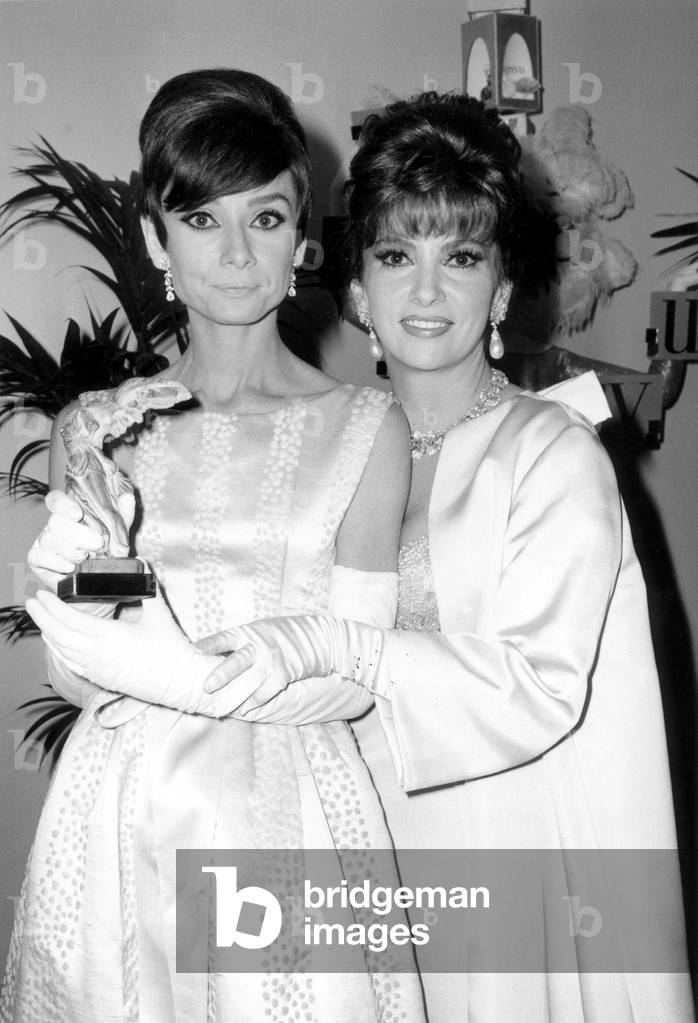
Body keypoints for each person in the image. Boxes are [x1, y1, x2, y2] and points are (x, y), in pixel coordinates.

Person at [162, 93, 693, 1021]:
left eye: (462, 256)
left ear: (502, 289)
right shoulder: (326, 451)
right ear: (357, 290)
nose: (427, 290)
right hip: (337, 845)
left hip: (499, 869)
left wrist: (347, 648)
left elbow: (539, 685)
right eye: (397, 255)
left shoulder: (552, 451)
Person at [2, 70, 426, 1022]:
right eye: (201, 220)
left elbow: (357, 674)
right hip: (120, 810)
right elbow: (79, 667)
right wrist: (88, 557)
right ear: (158, 238)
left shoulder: (367, 425)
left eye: (265, 218)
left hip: (291, 815)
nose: (236, 254)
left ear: (302, 236)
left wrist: (177, 673)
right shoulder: (96, 430)